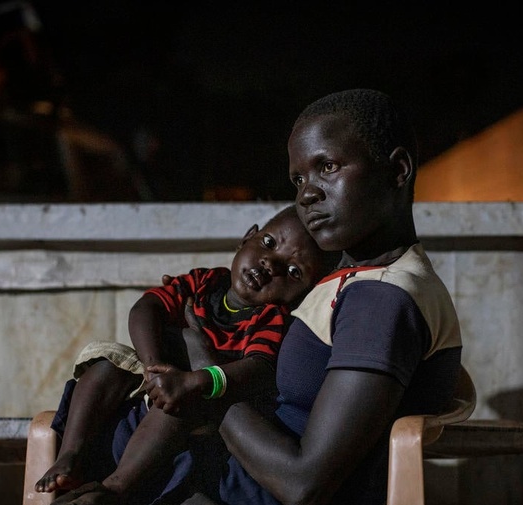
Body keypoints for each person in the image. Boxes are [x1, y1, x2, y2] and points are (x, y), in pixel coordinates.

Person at [54, 88, 464, 505]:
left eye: (328, 167)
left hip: (234, 488)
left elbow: (303, 483)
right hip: (216, 468)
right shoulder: (356, 281)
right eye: (299, 178)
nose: (307, 194)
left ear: (397, 170)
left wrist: (201, 364)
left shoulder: (381, 301)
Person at [36, 204, 339, 503]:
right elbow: (147, 307)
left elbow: (258, 366)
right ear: (247, 238)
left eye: (292, 271)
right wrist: (154, 367)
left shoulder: (269, 318)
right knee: (103, 366)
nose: (270, 265)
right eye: (269, 243)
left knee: (180, 406)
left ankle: (115, 488)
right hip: (153, 373)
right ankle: (70, 455)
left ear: (302, 294)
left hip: (200, 399)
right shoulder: (205, 281)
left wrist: (195, 382)